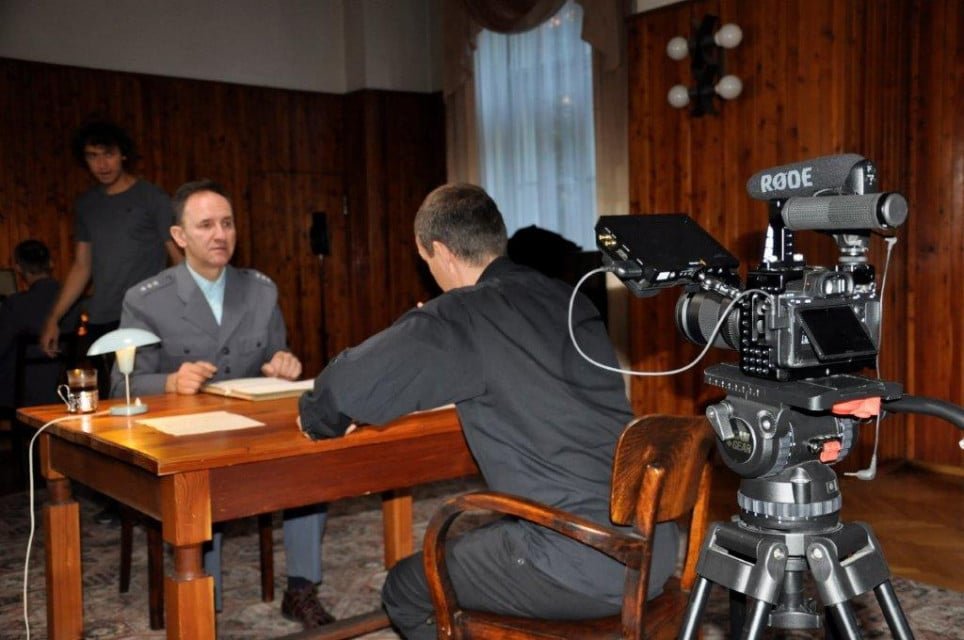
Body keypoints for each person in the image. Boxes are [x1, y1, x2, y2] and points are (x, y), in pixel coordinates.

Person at [298, 183, 680, 639]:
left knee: (405, 588)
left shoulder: (463, 313)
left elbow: (345, 387)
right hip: (653, 546)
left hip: (576, 559)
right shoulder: (568, 297)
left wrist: (317, 417)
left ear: (439, 251)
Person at [112, 179, 333, 628]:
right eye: (207, 225)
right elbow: (122, 386)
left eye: (227, 224)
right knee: (200, 484)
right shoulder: (146, 299)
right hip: (188, 444)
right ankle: (203, 599)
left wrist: (283, 362)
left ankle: (301, 589)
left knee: (309, 465)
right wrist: (170, 381)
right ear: (179, 236)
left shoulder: (260, 290)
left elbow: (276, 353)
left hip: (254, 436)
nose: (220, 235)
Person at [39, 120, 182, 375]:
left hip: (145, 317)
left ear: (123, 154)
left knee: (145, 392)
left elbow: (180, 260)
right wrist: (54, 318)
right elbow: (81, 266)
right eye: (93, 156)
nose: (102, 164)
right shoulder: (86, 205)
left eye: (108, 154)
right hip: (101, 318)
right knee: (107, 394)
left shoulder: (153, 198)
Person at [0, 240, 79, 408]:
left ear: (18, 268)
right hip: (61, 391)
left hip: (19, 394)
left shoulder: (16, 305)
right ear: (51, 263)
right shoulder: (72, 302)